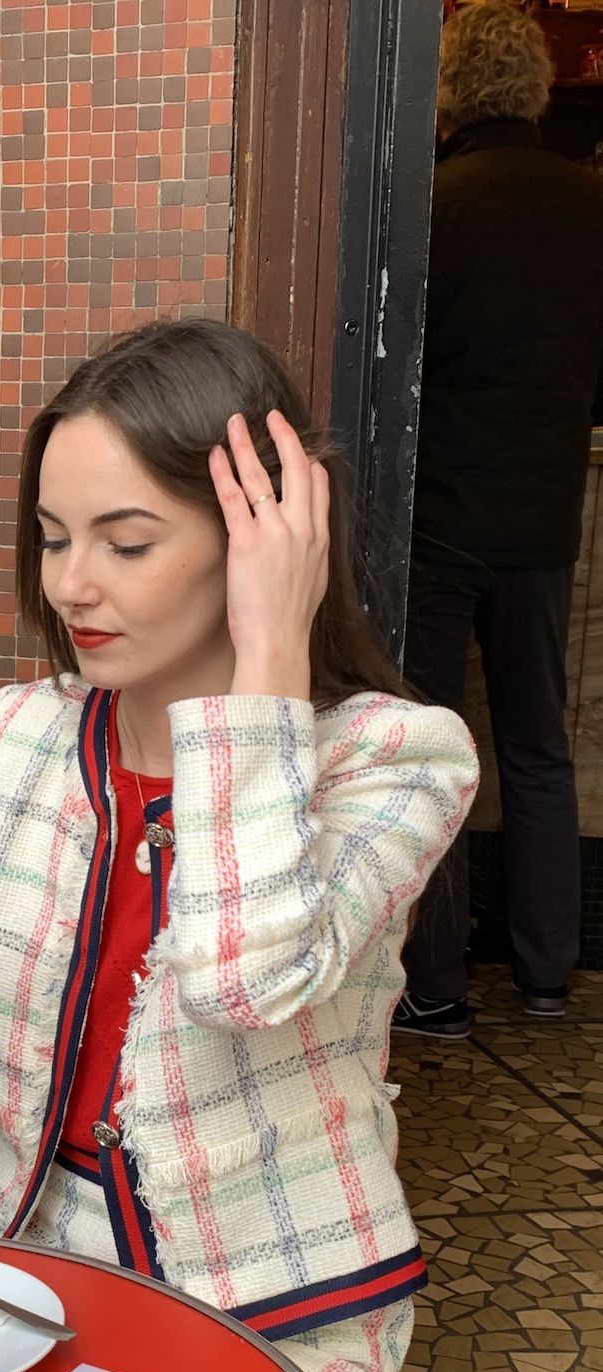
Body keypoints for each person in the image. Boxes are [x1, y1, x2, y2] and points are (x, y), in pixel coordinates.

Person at [0, 318, 479, 1372]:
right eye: (57, 539)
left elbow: (244, 981)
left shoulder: (397, 760)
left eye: (128, 542)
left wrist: (273, 649)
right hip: (33, 1286)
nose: (71, 583)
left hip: (282, 1310)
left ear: (259, 541)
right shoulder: (25, 736)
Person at [396, 2, 603, 1038]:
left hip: (442, 520)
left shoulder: (438, 207)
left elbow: (405, 374)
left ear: (448, 88)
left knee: (435, 747)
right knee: (536, 745)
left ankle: (436, 988)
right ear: (535, 87)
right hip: (544, 517)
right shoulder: (588, 203)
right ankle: (547, 973)